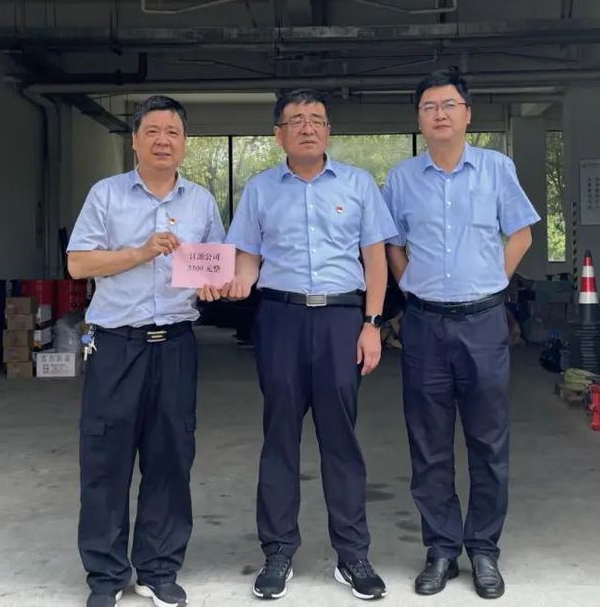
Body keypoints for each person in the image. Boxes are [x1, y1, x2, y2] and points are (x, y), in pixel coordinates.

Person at [201, 89, 397, 601]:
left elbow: (375, 260)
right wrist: (234, 282)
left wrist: (372, 323)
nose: (308, 127)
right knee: (280, 436)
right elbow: (247, 258)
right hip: (280, 319)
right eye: (296, 120)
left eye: (317, 119)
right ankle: (278, 552)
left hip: (341, 319)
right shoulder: (261, 190)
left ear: (328, 130)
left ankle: (352, 554)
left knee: (341, 440)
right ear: (279, 134)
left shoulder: (358, 184)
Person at [382, 69, 539, 600]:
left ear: (467, 114)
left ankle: (485, 549)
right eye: (429, 107)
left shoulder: (496, 168)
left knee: (488, 441)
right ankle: (441, 549)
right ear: (419, 119)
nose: (440, 114)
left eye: (449, 104)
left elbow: (521, 233)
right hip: (424, 324)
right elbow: (392, 243)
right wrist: (409, 284)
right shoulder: (402, 178)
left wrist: (495, 279)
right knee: (428, 442)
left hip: (482, 323)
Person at [67, 95, 225, 607]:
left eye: (172, 132)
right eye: (152, 131)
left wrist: (214, 285)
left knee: (171, 458)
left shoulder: (200, 202)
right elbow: (78, 264)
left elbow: (213, 266)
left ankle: (158, 570)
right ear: (134, 141)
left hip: (175, 345)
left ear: (185, 143)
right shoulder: (107, 195)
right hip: (116, 344)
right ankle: (106, 575)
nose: (163, 141)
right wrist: (140, 252)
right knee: (106, 460)